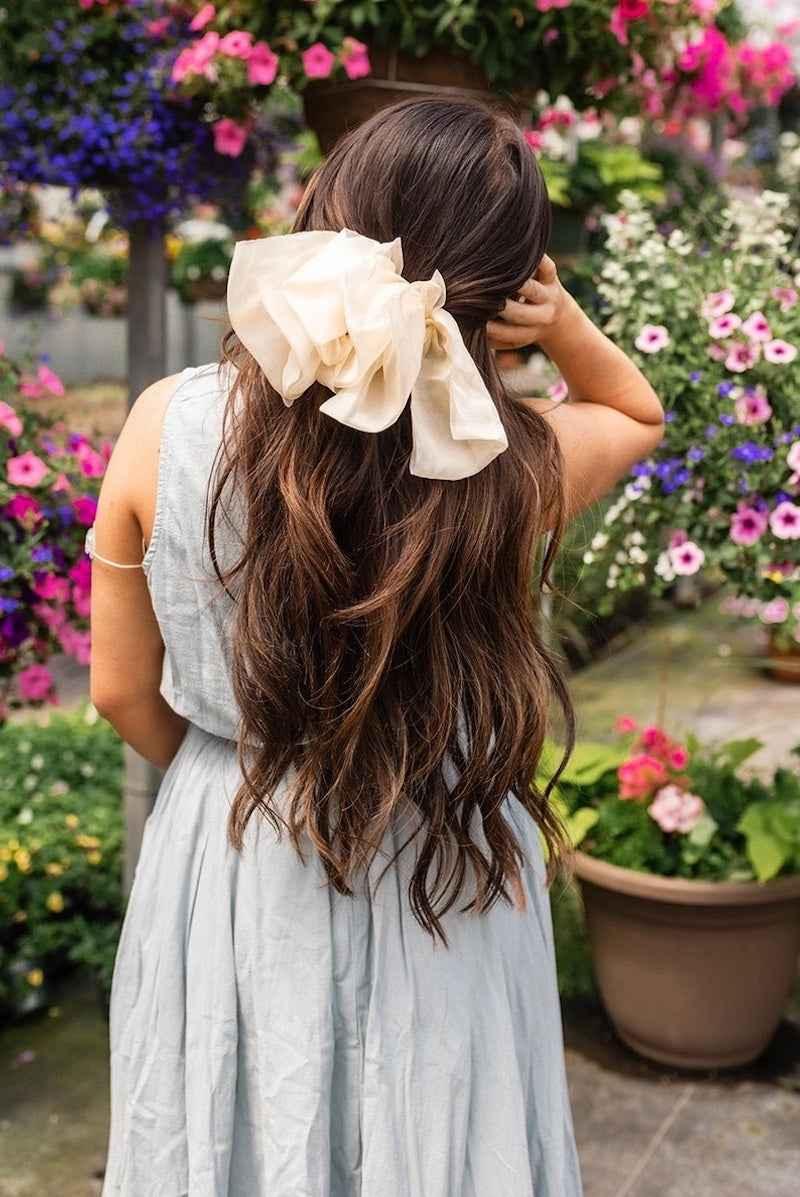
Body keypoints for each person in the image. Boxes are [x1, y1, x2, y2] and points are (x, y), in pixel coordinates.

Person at [89, 98, 663, 1196]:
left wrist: (243, 764)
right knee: (442, 1137)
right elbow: (634, 413)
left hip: (235, 843)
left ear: (325, 225)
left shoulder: (167, 418)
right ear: (505, 289)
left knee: (239, 1129)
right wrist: (565, 326)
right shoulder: (513, 461)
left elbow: (120, 690)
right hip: (444, 858)